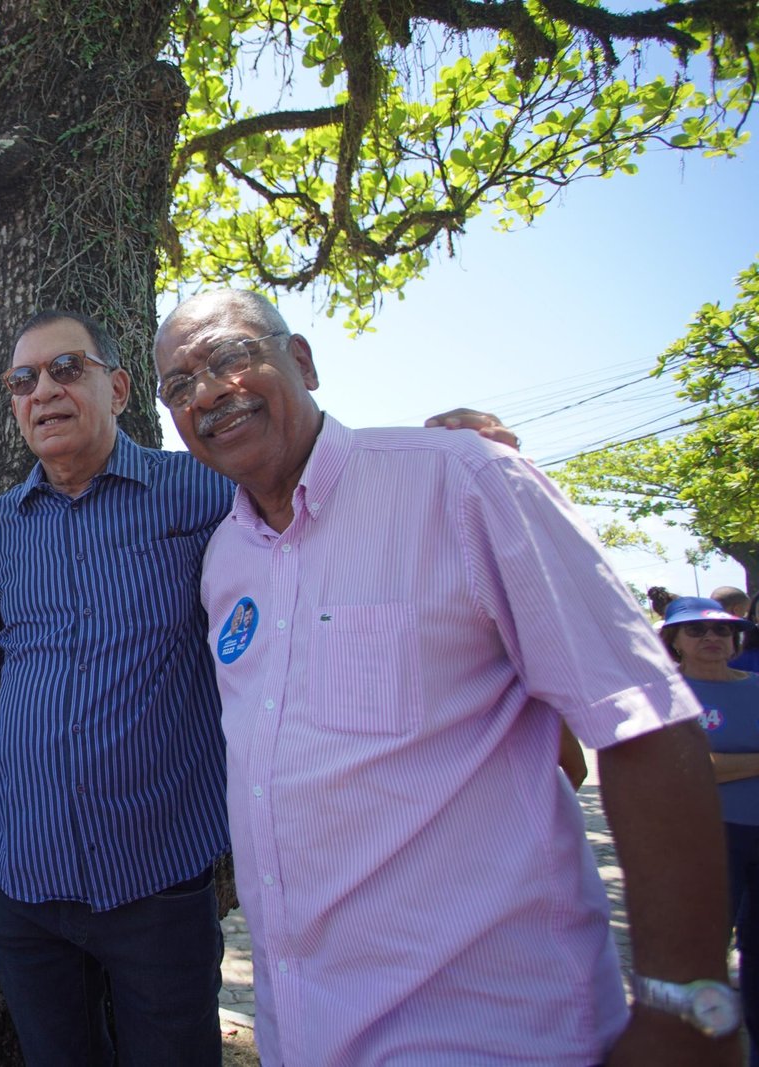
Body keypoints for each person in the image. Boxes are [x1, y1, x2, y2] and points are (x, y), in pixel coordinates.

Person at [155, 288, 739, 1064]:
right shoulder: (225, 560)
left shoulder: (464, 481)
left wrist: (683, 1004)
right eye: (178, 384)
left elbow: (642, 720)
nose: (207, 391)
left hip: (493, 1031)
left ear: (303, 361)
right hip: (307, 1031)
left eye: (229, 355)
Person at [0, 308, 512, 1065]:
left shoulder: (201, 490)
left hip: (154, 882)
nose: (44, 391)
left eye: (68, 369)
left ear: (119, 387)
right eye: (23, 379)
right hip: (22, 880)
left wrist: (432, 451)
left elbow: (310, 490)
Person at [662, 595, 759, 1064]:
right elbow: (686, 769)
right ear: (675, 641)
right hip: (706, 838)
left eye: (722, 630)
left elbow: (712, 763)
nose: (712, 638)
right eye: (697, 631)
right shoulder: (664, 697)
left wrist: (725, 764)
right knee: (702, 953)